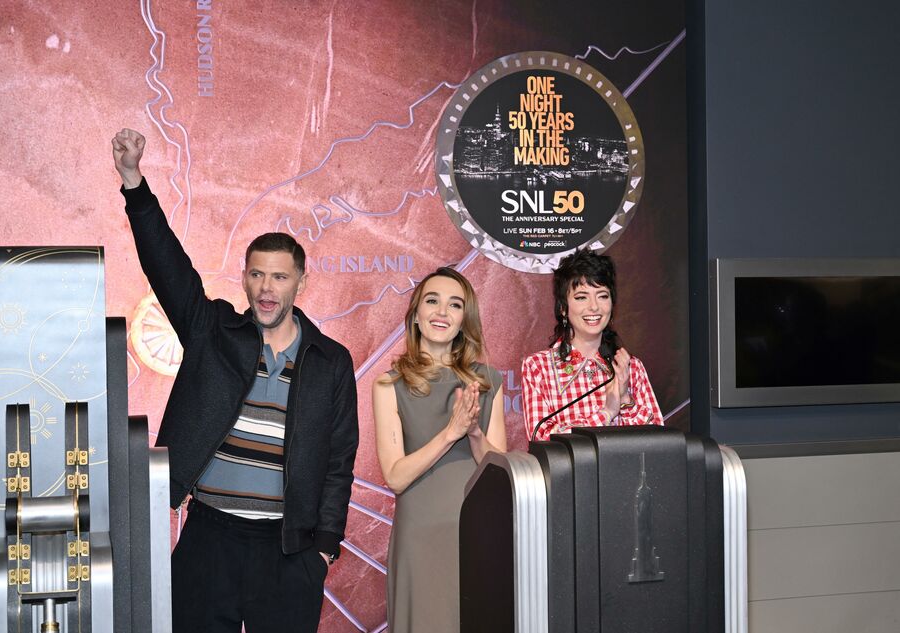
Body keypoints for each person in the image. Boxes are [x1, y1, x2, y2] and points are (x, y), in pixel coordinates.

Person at [112, 128, 359, 633]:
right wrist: (134, 182)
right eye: (256, 275)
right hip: (209, 538)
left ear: (301, 283)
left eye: (280, 277)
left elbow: (339, 461)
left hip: (289, 551)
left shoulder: (331, 362)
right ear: (245, 278)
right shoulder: (214, 331)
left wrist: (324, 550)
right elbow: (168, 265)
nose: (266, 289)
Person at [371, 267, 506, 633]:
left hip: (475, 531)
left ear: (465, 320)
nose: (442, 312)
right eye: (432, 301)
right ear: (416, 314)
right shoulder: (388, 384)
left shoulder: (487, 382)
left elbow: (499, 472)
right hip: (420, 536)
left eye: (455, 305)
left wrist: (474, 433)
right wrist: (450, 433)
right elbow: (396, 477)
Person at [521, 250, 663, 441]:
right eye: (582, 297)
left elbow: (658, 441)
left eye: (603, 296)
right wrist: (605, 414)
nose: (594, 307)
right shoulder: (538, 367)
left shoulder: (630, 366)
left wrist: (626, 400)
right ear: (563, 308)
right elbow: (543, 438)